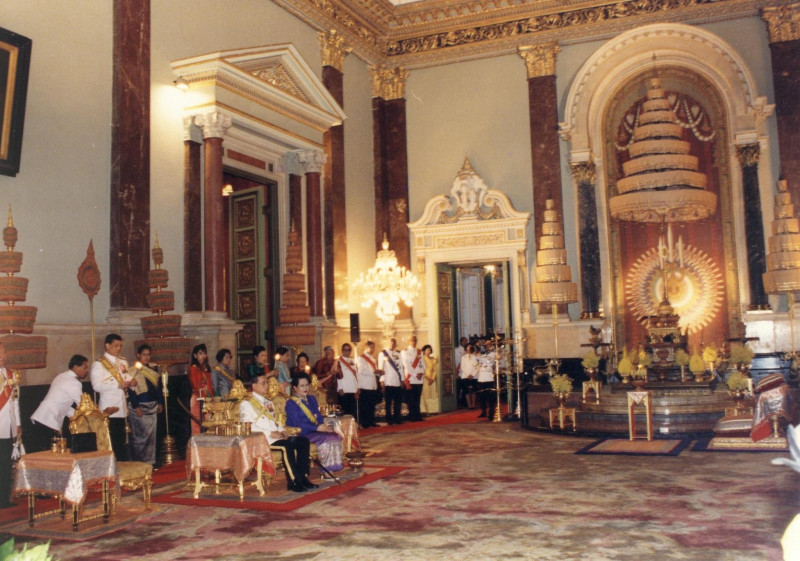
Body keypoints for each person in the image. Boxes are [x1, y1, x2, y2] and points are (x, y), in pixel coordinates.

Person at [240, 371, 316, 493]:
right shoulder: (247, 403)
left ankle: (303, 478)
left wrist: (282, 431)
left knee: (303, 441)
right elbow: (248, 426)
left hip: (276, 437)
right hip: (262, 440)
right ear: (254, 385)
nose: (267, 386)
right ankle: (293, 481)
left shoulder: (268, 402)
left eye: (267, 383)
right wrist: (270, 433)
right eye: (263, 383)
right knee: (286, 446)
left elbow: (275, 421)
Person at [29, 354, 90, 452]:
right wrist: (95, 416)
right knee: (49, 454)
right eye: (85, 367)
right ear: (76, 367)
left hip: (42, 418)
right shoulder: (74, 382)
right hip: (47, 420)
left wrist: (76, 416)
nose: (87, 370)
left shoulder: (61, 376)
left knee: (47, 453)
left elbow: (64, 405)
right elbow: (83, 405)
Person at [285, 373, 343, 473]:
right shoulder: (291, 403)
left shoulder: (312, 399)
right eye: (302, 386)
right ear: (294, 387)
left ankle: (333, 467)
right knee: (327, 438)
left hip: (314, 431)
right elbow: (297, 423)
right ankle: (327, 471)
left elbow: (318, 416)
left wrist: (323, 426)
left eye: (307, 385)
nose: (305, 388)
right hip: (300, 433)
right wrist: (317, 428)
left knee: (335, 435)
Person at [91, 333, 134, 460]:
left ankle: (121, 465)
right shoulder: (99, 364)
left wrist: (132, 382)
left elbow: (126, 377)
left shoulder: (122, 361)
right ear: (107, 346)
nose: (118, 348)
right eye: (116, 346)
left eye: (120, 346)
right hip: (109, 408)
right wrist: (117, 386)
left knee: (121, 442)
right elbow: (96, 386)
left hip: (122, 407)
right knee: (112, 442)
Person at [127, 344, 164, 465]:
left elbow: (158, 387)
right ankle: (139, 463)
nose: (147, 357)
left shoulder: (153, 368)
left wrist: (160, 402)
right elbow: (131, 390)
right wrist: (136, 406)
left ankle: (151, 462)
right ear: (138, 355)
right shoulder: (132, 370)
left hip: (152, 405)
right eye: (144, 355)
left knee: (151, 437)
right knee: (140, 437)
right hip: (139, 406)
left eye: (148, 355)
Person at [0, 342, 21, 508]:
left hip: (8, 426)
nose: (2, 356)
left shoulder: (11, 374)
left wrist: (18, 423)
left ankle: (3, 498)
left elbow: (15, 401)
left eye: (4, 352)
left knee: (6, 463)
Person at [188, 343, 214, 434]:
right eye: (200, 353)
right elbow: (196, 386)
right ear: (195, 355)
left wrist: (211, 398)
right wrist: (206, 397)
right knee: (197, 424)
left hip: (207, 399)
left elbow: (209, 385)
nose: (203, 356)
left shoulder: (205, 368)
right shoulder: (193, 368)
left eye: (205, 353)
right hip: (198, 399)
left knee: (209, 423)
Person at [378, 338, 403, 425]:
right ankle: (389, 419)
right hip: (388, 381)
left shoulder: (398, 354)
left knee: (397, 402)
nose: (392, 344)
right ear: (387, 343)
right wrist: (382, 380)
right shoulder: (383, 353)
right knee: (388, 403)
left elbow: (400, 368)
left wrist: (402, 379)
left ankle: (397, 418)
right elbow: (381, 368)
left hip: (397, 381)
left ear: (396, 344)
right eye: (390, 342)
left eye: (394, 342)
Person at [400, 335, 425, 422]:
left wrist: (421, 373)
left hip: (419, 379)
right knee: (411, 399)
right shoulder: (404, 352)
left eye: (415, 340)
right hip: (410, 378)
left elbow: (423, 364)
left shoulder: (419, 351)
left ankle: (418, 415)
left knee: (417, 398)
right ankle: (412, 416)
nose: (414, 342)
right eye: (412, 340)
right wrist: (415, 374)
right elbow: (406, 365)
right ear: (408, 341)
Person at [356, 340, 381, 428]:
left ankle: (371, 421)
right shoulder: (361, 358)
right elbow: (362, 371)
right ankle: (365, 423)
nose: (372, 349)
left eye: (373, 348)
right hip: (365, 385)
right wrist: (374, 372)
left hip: (372, 385)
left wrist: (379, 373)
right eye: (371, 348)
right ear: (366, 347)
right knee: (365, 405)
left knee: (372, 405)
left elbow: (375, 372)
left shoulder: (373, 359)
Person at [334, 343, 358, 418]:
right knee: (345, 412)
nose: (347, 352)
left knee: (353, 412)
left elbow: (355, 375)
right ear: (342, 350)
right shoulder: (338, 361)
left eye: (349, 350)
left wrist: (357, 387)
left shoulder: (352, 361)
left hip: (352, 389)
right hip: (344, 390)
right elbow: (338, 376)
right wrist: (340, 388)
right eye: (345, 350)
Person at [476, 345, 497, 419]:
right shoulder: (482, 354)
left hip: (489, 378)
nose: (487, 348)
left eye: (488, 346)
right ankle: (483, 411)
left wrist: (480, 357)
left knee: (491, 397)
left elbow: (488, 361)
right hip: (481, 378)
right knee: (482, 396)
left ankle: (491, 413)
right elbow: (478, 362)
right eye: (486, 347)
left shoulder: (493, 354)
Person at [420, 345, 439, 415]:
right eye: (427, 350)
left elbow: (435, 370)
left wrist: (432, 378)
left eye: (430, 350)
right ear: (424, 351)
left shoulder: (433, 359)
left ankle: (433, 410)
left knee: (433, 394)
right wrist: (428, 378)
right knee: (426, 394)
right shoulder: (422, 359)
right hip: (425, 378)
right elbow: (422, 369)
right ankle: (425, 410)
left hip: (432, 379)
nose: (429, 351)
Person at [459, 344, 478, 410]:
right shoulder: (463, 357)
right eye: (467, 348)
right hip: (465, 376)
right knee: (466, 391)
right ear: (465, 349)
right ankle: (469, 405)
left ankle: (473, 404)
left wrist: (472, 374)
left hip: (474, 376)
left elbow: (477, 366)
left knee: (473, 391)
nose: (468, 350)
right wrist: (468, 375)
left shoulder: (475, 357)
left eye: (470, 348)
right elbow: (462, 367)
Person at [455, 337, 468, 407]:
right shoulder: (457, 350)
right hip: (459, 370)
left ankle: (464, 402)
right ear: (460, 342)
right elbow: (456, 360)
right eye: (464, 341)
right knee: (458, 388)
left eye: (466, 341)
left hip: (465, 372)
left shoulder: (467, 350)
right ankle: (457, 403)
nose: (465, 342)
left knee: (465, 388)